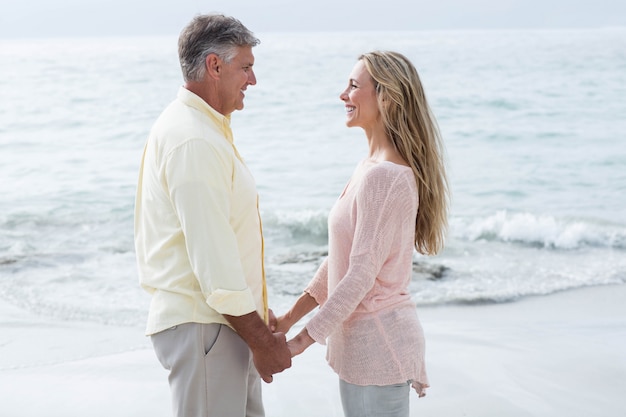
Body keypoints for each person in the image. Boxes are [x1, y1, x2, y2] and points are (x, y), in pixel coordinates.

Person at [276, 51, 449, 417]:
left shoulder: (384, 176)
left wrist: (300, 342)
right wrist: (289, 317)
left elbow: (359, 275)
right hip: (363, 347)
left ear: (386, 97)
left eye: (354, 86)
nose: (343, 95)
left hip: (381, 346)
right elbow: (341, 260)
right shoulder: (369, 168)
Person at [134, 13, 291, 417]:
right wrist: (260, 339)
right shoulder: (193, 140)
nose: (253, 80)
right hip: (207, 328)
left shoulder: (203, 130)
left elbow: (222, 245)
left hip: (224, 327)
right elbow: (214, 262)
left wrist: (255, 314)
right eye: (246, 67)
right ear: (214, 66)